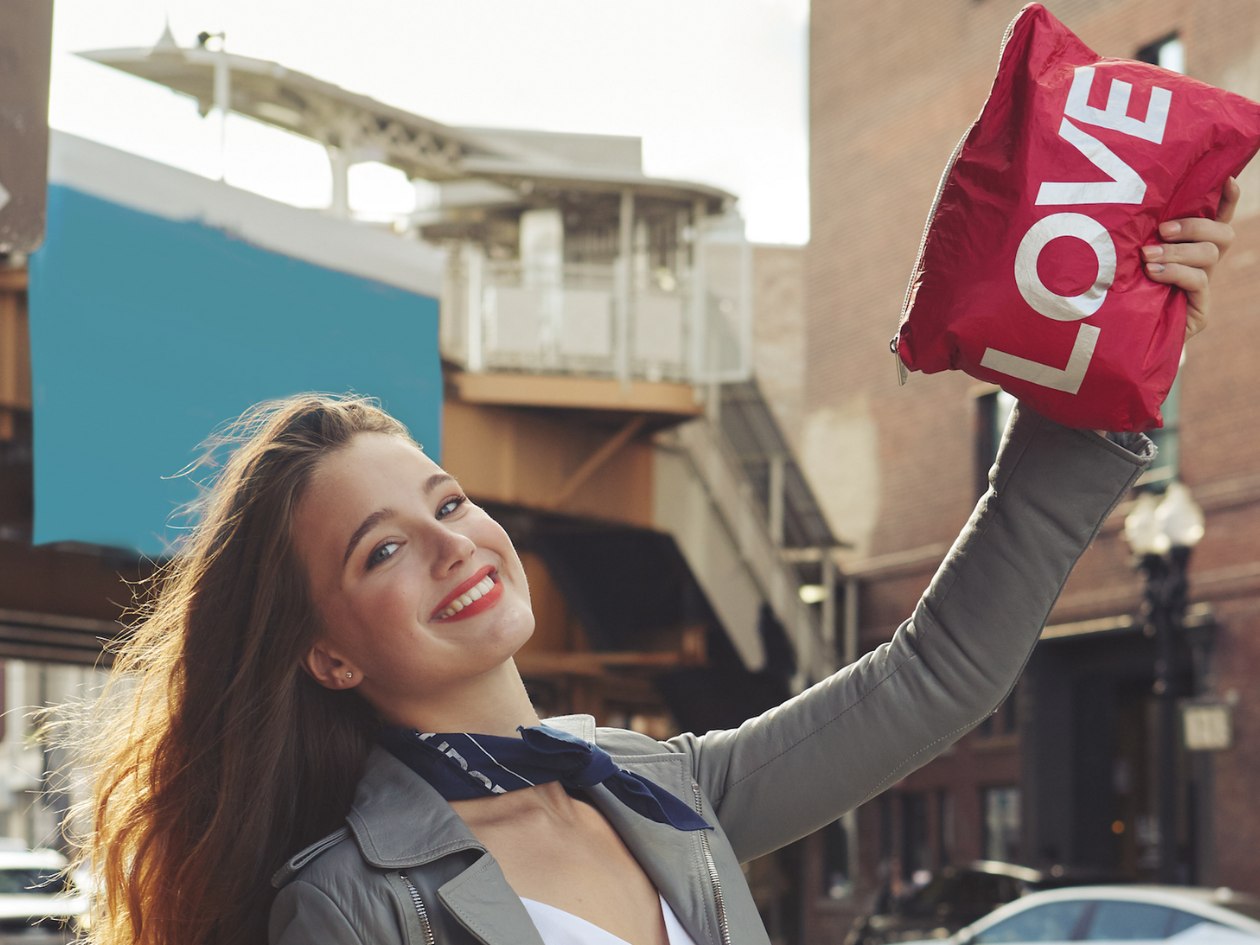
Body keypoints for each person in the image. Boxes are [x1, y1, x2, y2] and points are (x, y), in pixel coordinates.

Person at [75, 181, 1239, 945]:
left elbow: (938, 674)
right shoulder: (346, 903)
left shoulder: (659, 789)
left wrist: (1115, 352)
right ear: (328, 654)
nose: (451, 543)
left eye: (449, 501)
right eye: (383, 549)